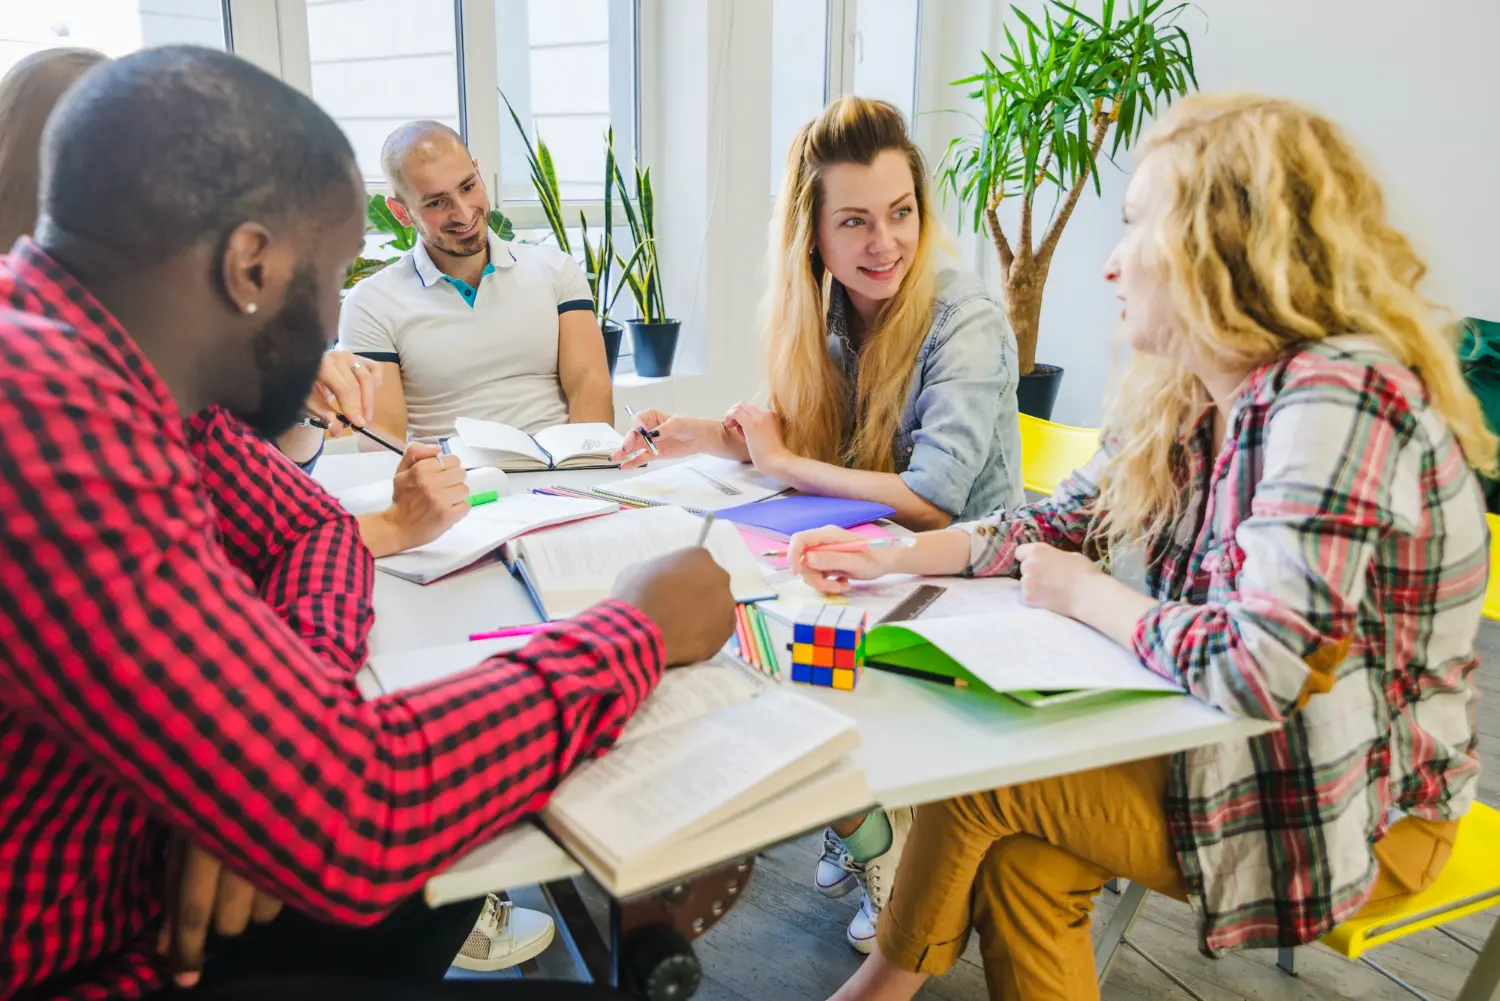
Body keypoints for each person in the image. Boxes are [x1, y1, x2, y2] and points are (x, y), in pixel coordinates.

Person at [0, 45, 735, 1000]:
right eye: (335, 278)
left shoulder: (133, 371)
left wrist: (263, 756)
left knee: (437, 882)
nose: (334, 331)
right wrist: (637, 628)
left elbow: (309, 530)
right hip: (98, 964)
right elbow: (364, 805)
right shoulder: (52, 427)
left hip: (154, 875)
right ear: (248, 266)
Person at [786, 92, 1490, 1001]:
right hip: (1238, 744)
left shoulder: (1336, 398)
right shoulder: (1193, 385)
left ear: (1219, 246)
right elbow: (1057, 521)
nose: (1113, 266)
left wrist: (1086, 595)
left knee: (989, 779)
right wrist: (895, 557)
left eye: (1135, 228)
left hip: (1356, 802)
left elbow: (1255, 666)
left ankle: (879, 986)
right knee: (1024, 865)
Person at [612, 96, 1025, 951]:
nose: (887, 243)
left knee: (787, 646)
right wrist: (701, 436)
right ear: (814, 237)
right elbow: (813, 446)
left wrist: (783, 465)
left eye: (903, 213)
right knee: (743, 626)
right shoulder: (834, 312)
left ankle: (889, 843)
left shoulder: (965, 318)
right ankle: (869, 818)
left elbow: (934, 494)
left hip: (976, 578)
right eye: (857, 221)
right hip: (885, 565)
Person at [0, 47, 467, 560]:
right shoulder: (67, 386)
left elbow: (271, 513)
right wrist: (380, 529)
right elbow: (249, 557)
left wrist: (296, 407)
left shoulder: (140, 333)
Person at [339, 120, 613, 442]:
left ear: (479, 173)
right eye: (436, 202)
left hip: (560, 475)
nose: (464, 213)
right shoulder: (371, 304)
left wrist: (584, 474)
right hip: (454, 484)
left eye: (468, 187)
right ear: (401, 212)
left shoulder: (556, 270)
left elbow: (589, 387)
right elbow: (385, 441)